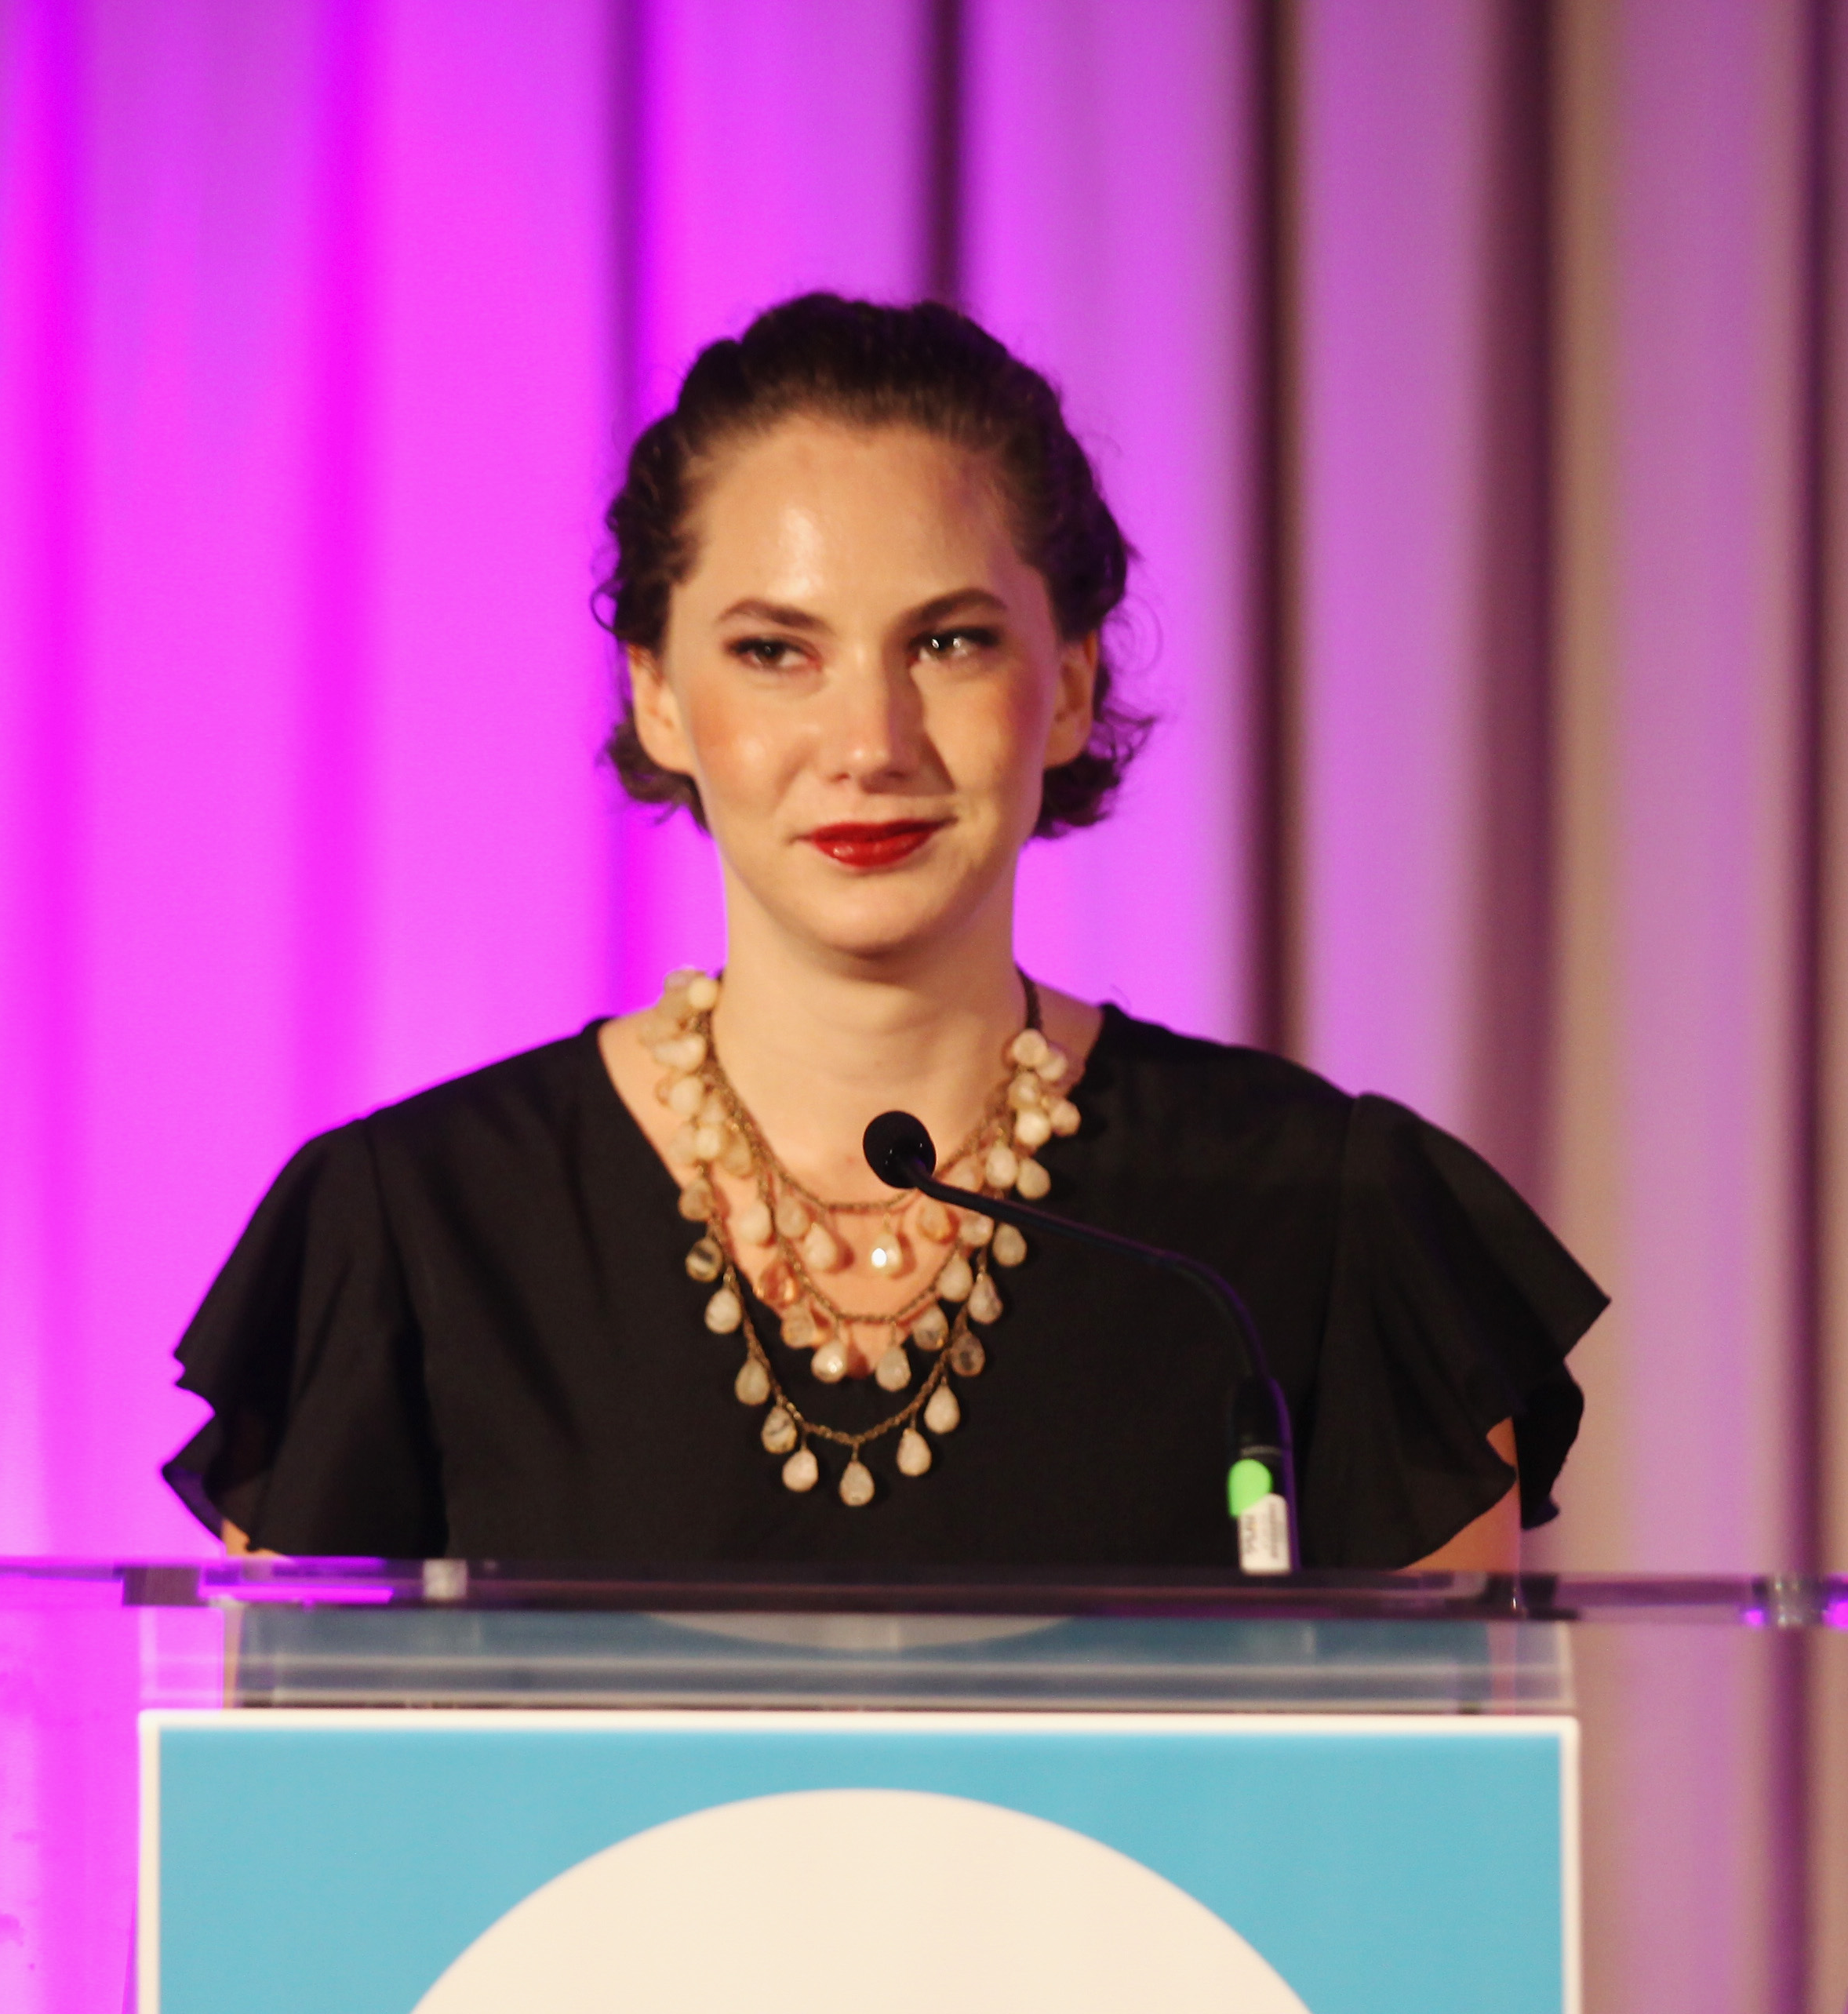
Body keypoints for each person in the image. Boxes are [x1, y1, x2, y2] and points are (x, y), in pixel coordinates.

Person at [167, 293, 1604, 1571]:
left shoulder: (1324, 1219)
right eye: (776, 652)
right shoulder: (413, 1235)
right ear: (661, 695)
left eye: (949, 642)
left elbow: (1430, 1845)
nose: (871, 740)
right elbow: (304, 1849)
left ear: (1067, 688)